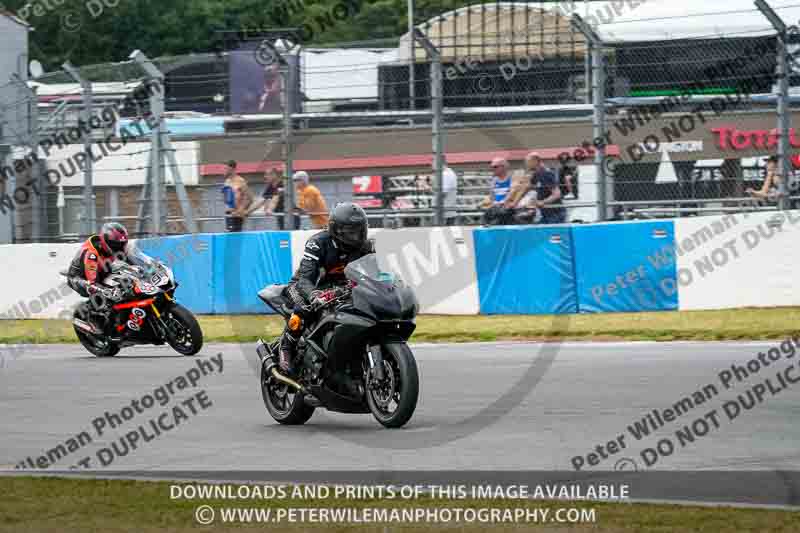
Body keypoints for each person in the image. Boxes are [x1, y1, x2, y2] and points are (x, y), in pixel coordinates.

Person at [278, 203, 374, 376]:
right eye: (350, 232)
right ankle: (286, 347)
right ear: (336, 230)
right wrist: (314, 294)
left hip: (339, 289)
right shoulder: (318, 243)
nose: (356, 236)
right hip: (305, 286)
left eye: (359, 231)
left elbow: (373, 274)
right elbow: (305, 278)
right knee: (305, 307)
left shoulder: (365, 246)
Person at [66, 222, 132, 331]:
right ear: (106, 241)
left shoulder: (118, 248)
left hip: (102, 271)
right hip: (80, 278)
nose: (119, 247)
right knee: (100, 291)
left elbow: (131, 260)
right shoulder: (91, 254)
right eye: (116, 244)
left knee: (124, 282)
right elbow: (92, 281)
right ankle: (95, 321)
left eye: (122, 244)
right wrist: (105, 290)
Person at [507, 152, 566, 224]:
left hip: (556, 213)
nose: (526, 165)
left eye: (527, 162)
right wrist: (515, 203)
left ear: (535, 161)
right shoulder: (536, 174)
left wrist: (543, 202)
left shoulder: (546, 173)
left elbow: (557, 194)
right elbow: (526, 189)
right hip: (545, 213)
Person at [481, 157, 514, 225]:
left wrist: (502, 202)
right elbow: (492, 198)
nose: (492, 169)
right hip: (497, 209)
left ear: (504, 167)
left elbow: (512, 194)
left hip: (507, 209)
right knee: (486, 217)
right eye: (492, 167)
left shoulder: (512, 178)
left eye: (495, 167)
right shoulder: (494, 181)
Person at [221, 160, 252, 232]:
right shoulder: (226, 182)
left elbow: (250, 198)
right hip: (228, 214)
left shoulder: (240, 181)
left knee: (236, 238)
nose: (223, 171)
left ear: (232, 169)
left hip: (237, 215)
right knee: (228, 238)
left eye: (225, 169)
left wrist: (240, 210)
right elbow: (226, 199)